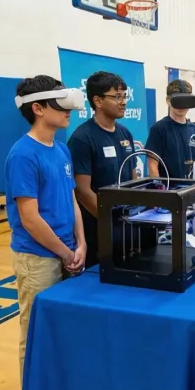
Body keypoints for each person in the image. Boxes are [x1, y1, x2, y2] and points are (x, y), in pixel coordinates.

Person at [3, 76, 84, 378]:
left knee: (64, 328)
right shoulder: (23, 154)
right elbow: (30, 218)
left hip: (68, 252)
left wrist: (81, 243)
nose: (68, 112)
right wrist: (65, 252)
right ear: (37, 108)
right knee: (35, 331)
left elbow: (71, 198)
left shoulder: (61, 150)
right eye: (60, 105)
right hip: (38, 259)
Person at [66, 70, 136, 267]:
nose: (123, 102)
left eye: (124, 96)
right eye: (116, 97)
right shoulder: (83, 138)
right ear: (97, 101)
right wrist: (111, 220)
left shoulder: (125, 133)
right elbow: (82, 191)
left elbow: (133, 178)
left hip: (126, 225)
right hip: (97, 229)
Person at [145, 79, 195, 180]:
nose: (182, 106)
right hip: (168, 190)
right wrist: (160, 190)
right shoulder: (159, 129)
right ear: (168, 100)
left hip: (191, 188)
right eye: (178, 101)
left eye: (185, 101)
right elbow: (152, 166)